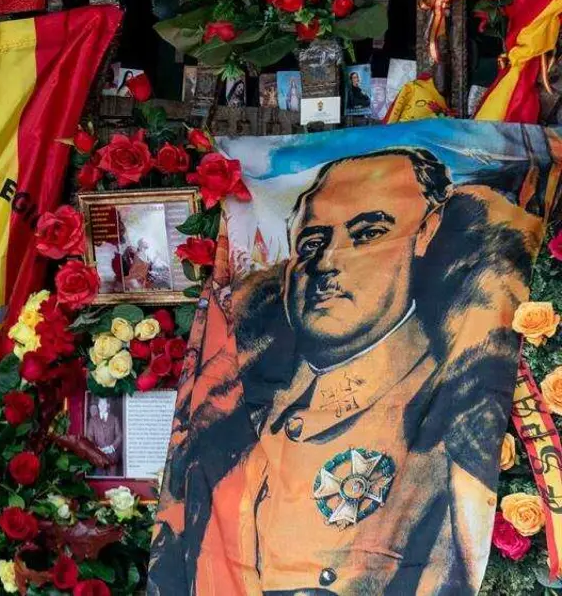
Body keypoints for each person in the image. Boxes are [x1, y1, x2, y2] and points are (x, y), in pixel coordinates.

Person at [151, 148, 519, 593]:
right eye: (311, 244)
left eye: (369, 234)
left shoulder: (454, 417)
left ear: (426, 236)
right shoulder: (226, 404)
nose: (326, 263)